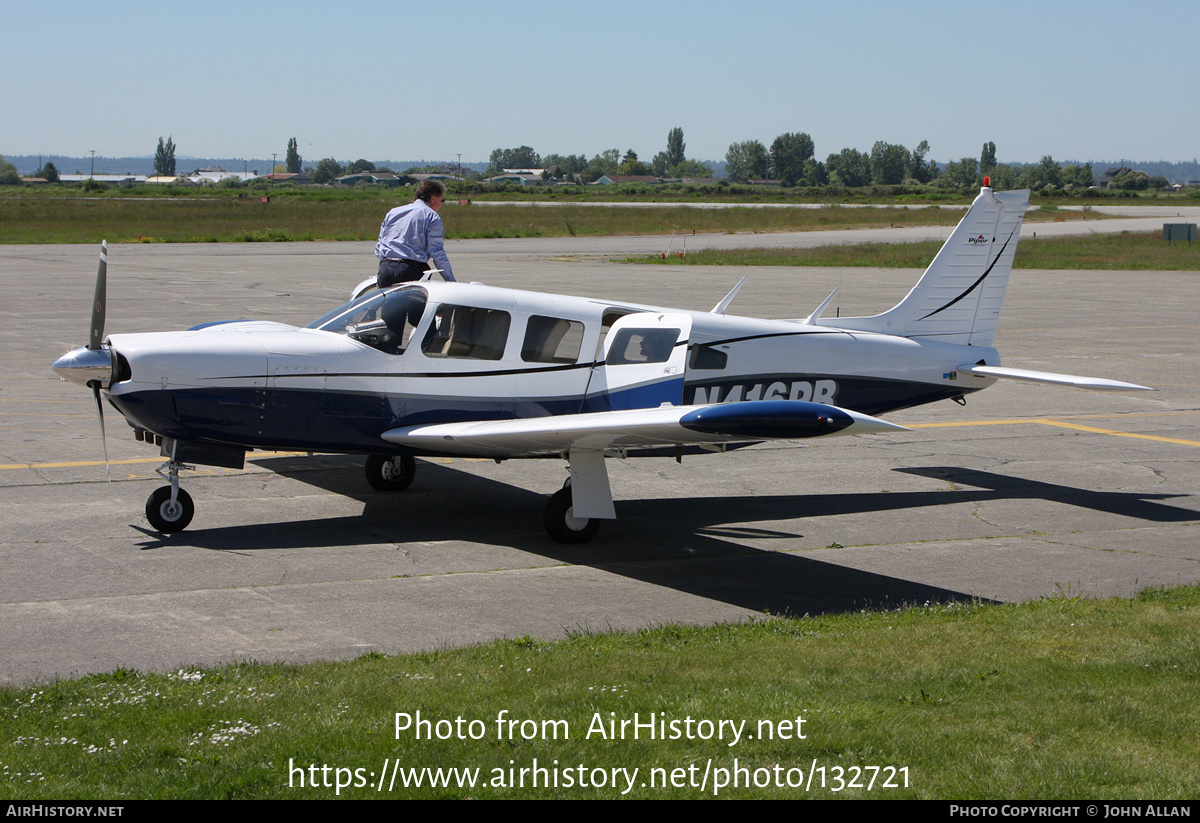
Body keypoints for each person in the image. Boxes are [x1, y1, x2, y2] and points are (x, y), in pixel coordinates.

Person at [375, 180, 456, 287]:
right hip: (409, 271)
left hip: (385, 269)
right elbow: (436, 251)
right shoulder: (431, 216)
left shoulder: (393, 212)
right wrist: (452, 281)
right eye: (442, 200)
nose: (441, 205)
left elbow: (379, 245)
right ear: (433, 198)